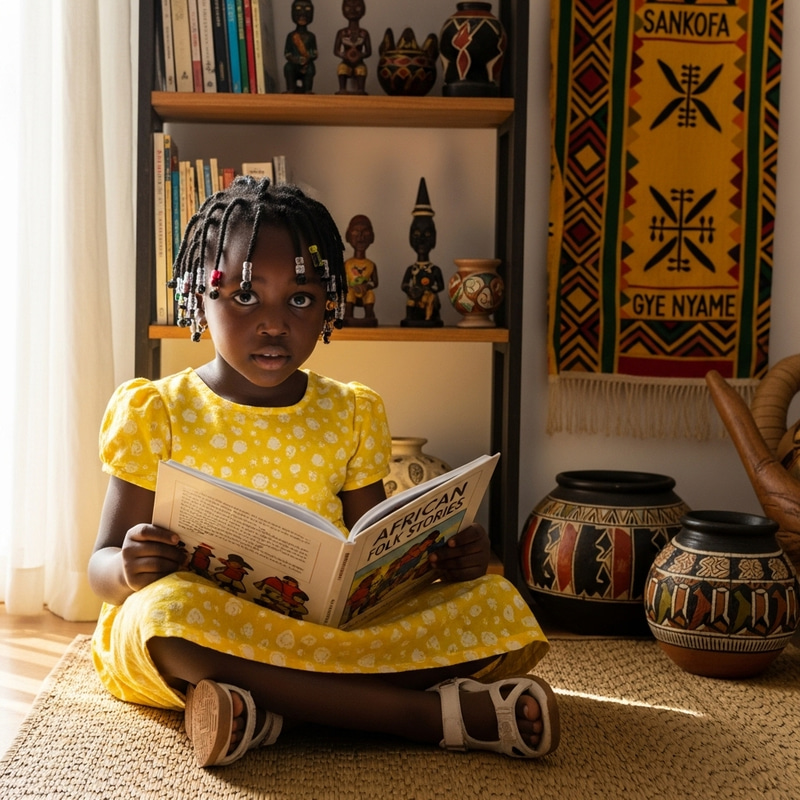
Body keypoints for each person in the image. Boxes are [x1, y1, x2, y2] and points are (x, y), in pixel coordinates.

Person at [88, 177, 559, 768]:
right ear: (196, 295)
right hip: (215, 628)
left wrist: (442, 560)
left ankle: (258, 711)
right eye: (244, 295)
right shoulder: (156, 411)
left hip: (325, 634)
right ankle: (426, 717)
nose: (274, 322)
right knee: (163, 617)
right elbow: (100, 567)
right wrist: (129, 567)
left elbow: (373, 552)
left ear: (330, 303)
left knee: (495, 601)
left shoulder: (351, 410)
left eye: (301, 299)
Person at [343, 213, 378, 326]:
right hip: (352, 290)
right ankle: (348, 314)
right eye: (356, 232)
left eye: (365, 232)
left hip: (364, 291)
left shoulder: (371, 265)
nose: (360, 237)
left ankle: (369, 315)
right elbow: (342, 281)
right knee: (348, 294)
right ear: (348, 236)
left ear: (371, 237)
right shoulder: (347, 264)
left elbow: (375, 282)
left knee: (370, 295)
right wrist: (351, 287)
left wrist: (367, 286)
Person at [334, 0, 372, 95]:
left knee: (361, 70)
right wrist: (344, 55)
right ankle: (342, 88)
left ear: (363, 11)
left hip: (359, 62)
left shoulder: (364, 33)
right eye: (348, 8)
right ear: (343, 10)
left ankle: (360, 89)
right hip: (346, 61)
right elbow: (336, 50)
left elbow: (368, 51)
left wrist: (360, 55)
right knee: (342, 68)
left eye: (357, 8)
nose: (353, 11)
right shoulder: (342, 33)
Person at [284, 0, 317, 94]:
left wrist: (307, 58)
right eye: (298, 10)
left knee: (310, 69)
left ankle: (308, 89)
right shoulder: (291, 36)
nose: (303, 14)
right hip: (294, 64)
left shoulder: (311, 36)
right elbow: (287, 53)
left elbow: (314, 52)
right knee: (288, 67)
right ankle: (290, 89)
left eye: (307, 10)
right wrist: (296, 60)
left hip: (307, 64)